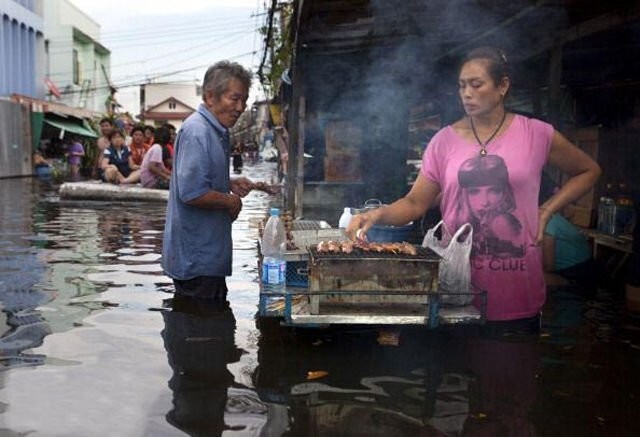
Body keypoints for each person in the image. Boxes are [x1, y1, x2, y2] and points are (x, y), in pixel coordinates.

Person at [347, 46, 601, 329]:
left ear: (502, 85)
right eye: (462, 86)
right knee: (457, 369)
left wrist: (546, 210)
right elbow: (415, 203)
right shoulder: (444, 141)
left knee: (515, 365)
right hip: (457, 288)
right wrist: (377, 214)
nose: (466, 93)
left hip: (517, 288)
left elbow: (588, 171)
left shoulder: (536, 134)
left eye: (476, 84)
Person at [162, 61, 272, 301]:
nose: (240, 107)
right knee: (200, 329)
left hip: (206, 255)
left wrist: (229, 182)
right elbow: (191, 193)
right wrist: (230, 202)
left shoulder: (215, 130)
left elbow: (198, 178)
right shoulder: (197, 131)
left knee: (208, 325)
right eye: (234, 99)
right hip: (196, 259)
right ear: (210, 96)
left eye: (243, 100)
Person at [538, 172, 599, 288]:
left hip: (578, 275)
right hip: (575, 270)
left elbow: (548, 266)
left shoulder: (548, 220)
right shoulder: (549, 217)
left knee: (532, 278)